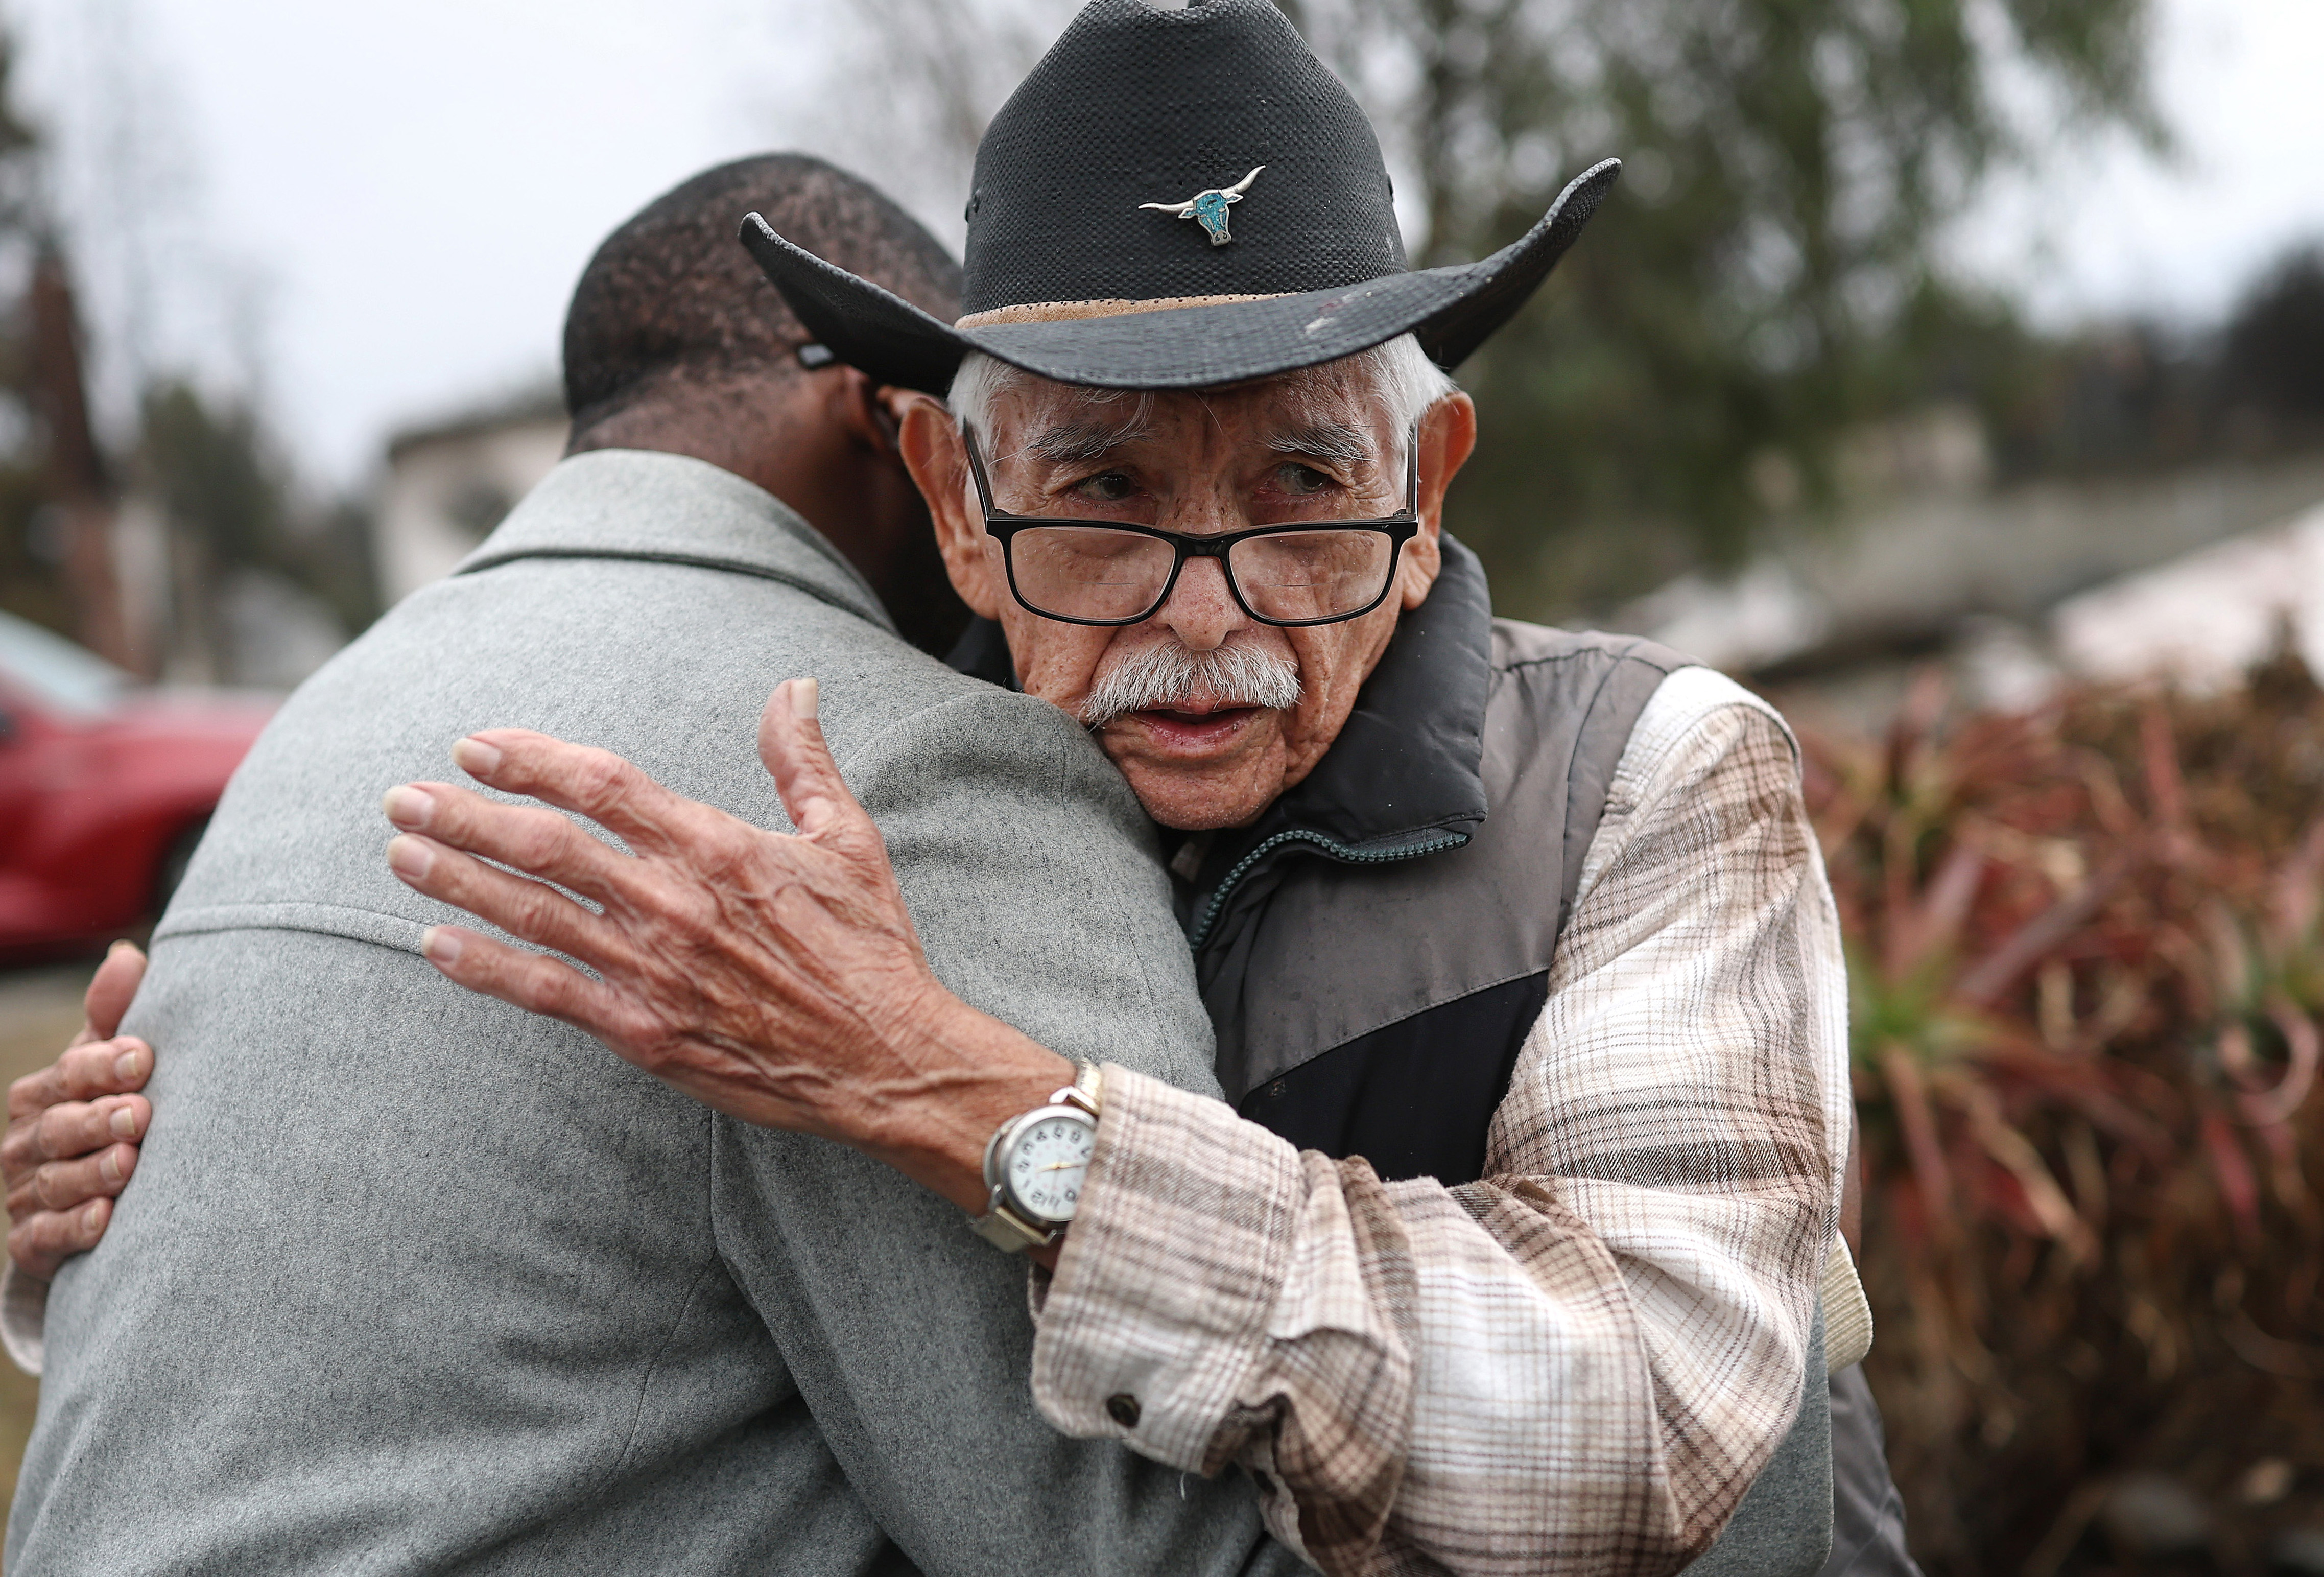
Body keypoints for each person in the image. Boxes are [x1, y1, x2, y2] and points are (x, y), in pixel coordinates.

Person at [7, 12, 1925, 1575]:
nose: (1208, 618)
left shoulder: (1655, 783)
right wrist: (137, 1243)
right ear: (951, 503)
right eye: (1099, 499)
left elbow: (1669, 1440)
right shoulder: (870, 808)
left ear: (1428, 491)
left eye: (1299, 495)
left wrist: (988, 1112)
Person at [2, 149, 1303, 1575]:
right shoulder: (903, 772)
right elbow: (1155, 1534)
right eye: (984, 439)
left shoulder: (319, 721)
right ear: (892, 426)